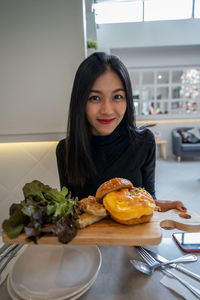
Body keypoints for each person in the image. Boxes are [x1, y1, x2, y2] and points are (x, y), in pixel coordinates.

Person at [56, 52, 186, 212]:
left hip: (133, 236)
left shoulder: (144, 142)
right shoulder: (66, 150)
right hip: (88, 237)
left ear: (128, 100)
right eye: (95, 98)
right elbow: (68, 210)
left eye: (117, 96)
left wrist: (165, 205)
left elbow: (147, 199)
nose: (107, 110)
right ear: (81, 102)